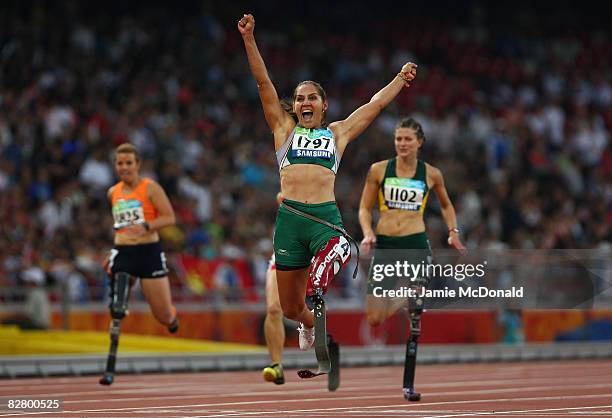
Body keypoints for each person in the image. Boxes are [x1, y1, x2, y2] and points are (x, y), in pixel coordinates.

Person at [238, 13, 417, 351]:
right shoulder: (284, 131)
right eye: (299, 99)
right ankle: (309, 324)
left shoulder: (337, 133)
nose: (305, 103)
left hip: (324, 219)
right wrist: (249, 39)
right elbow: (264, 83)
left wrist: (399, 79)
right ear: (293, 106)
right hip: (290, 221)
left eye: (312, 98)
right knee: (291, 308)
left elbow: (374, 105)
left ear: (324, 105)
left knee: (333, 255)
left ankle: (322, 286)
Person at [358, 117, 465, 399]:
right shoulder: (379, 170)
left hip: (415, 245)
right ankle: (409, 295)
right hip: (386, 246)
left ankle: (408, 385)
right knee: (373, 318)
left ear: (420, 142)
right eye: (398, 139)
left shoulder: (431, 174)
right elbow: (364, 208)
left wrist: (453, 232)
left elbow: (446, 204)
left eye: (407, 139)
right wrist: (368, 233)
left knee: (413, 318)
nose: (402, 144)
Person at [103, 142, 179, 333]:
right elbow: (120, 226)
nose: (124, 168)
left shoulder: (151, 188)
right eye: (120, 164)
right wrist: (114, 253)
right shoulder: (113, 192)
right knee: (115, 268)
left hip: (148, 253)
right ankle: (118, 304)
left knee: (163, 315)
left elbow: (169, 217)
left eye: (129, 163)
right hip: (124, 250)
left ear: (138, 165)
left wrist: (146, 226)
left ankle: (171, 320)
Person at [261, 193, 286, 384]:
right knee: (273, 309)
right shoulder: (284, 193)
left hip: (312, 259)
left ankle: (313, 327)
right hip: (283, 257)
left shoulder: (321, 186)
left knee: (300, 312)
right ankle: (277, 365)